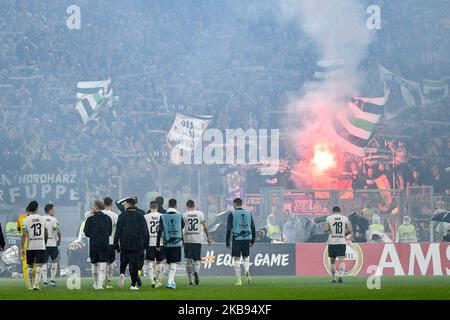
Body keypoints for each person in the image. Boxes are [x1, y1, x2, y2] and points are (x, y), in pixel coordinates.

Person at [114, 197, 149, 290]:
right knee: (134, 265)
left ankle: (122, 273)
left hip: (124, 242)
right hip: (137, 243)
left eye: (125, 204)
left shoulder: (122, 216)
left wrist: (115, 244)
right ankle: (133, 285)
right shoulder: (140, 216)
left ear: (128, 204)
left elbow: (117, 231)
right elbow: (145, 231)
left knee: (123, 260)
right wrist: (146, 244)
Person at [226, 198, 256, 286]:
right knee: (246, 257)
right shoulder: (248, 213)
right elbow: (253, 227)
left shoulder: (232, 214)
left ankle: (239, 281)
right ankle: (246, 270)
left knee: (236, 258)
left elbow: (228, 229)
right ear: (241, 204)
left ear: (234, 204)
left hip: (237, 238)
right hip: (247, 238)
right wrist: (253, 240)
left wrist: (227, 242)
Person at [84, 200, 112, 290]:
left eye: (92, 206)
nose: (91, 207)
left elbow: (86, 233)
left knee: (94, 264)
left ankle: (96, 284)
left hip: (94, 244)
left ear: (96, 207)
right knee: (103, 265)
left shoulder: (90, 219)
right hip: (104, 244)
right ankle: (100, 284)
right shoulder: (108, 218)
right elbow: (110, 232)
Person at [182, 200, 212, 286]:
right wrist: (208, 237)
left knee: (188, 260)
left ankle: (190, 281)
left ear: (187, 206)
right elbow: (205, 227)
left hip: (187, 240)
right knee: (197, 259)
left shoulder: (184, 215)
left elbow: (182, 228)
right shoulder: (200, 214)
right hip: (197, 240)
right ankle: (196, 272)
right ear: (194, 205)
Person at [156, 198, 184, 289]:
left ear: (168, 205)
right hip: (177, 242)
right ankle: (170, 282)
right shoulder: (180, 216)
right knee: (174, 262)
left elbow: (159, 231)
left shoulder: (163, 217)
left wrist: (157, 244)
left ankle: (171, 280)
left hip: (166, 242)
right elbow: (182, 227)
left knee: (168, 262)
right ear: (176, 205)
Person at [21, 201, 48, 290]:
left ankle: (30, 285)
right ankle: (36, 284)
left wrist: (22, 248)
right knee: (39, 264)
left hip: (30, 245)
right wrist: (45, 242)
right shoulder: (42, 219)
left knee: (30, 265)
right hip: (40, 245)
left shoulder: (26, 220)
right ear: (37, 208)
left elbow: (24, 235)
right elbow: (46, 232)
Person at [323, 206, 352, 284]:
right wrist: (343, 235)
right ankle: (341, 277)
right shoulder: (344, 218)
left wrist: (329, 231)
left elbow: (325, 229)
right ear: (339, 211)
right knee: (342, 260)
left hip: (332, 242)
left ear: (333, 211)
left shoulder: (328, 218)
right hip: (341, 242)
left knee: (332, 261)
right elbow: (349, 230)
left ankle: (333, 279)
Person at [144, 201, 165, 288]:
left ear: (150, 207)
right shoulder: (162, 216)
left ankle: (152, 280)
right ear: (157, 207)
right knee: (160, 262)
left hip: (149, 242)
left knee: (150, 262)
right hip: (159, 242)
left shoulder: (145, 217)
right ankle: (159, 281)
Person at [17, 201, 37, 288]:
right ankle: (34, 283)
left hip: (25, 243)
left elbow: (19, 230)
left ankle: (29, 284)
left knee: (26, 264)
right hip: (36, 243)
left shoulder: (21, 218)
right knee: (35, 264)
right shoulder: (37, 218)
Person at [42, 204, 61, 288]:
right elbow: (58, 230)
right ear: (49, 210)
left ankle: (45, 282)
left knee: (44, 262)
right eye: (53, 209)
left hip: (43, 244)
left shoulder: (41, 219)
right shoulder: (54, 219)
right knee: (54, 261)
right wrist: (59, 239)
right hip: (53, 243)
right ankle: (52, 280)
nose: (54, 211)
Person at [102, 197, 119, 289]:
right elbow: (117, 231)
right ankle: (109, 282)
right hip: (111, 242)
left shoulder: (100, 214)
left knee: (102, 262)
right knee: (111, 262)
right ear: (111, 204)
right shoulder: (115, 215)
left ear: (103, 204)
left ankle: (102, 281)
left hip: (101, 242)